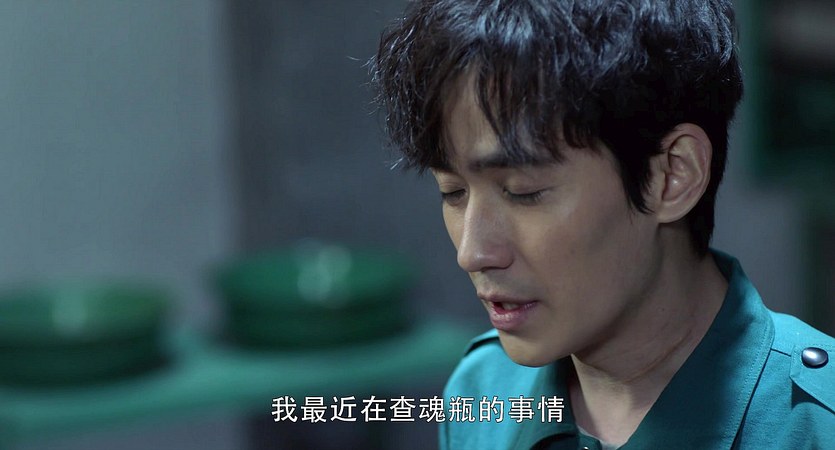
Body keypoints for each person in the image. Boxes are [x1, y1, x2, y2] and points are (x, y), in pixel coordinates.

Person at [372, 0, 835, 448]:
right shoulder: (485, 390)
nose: (472, 253)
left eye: (523, 191)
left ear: (672, 175)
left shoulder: (816, 423)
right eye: (452, 191)